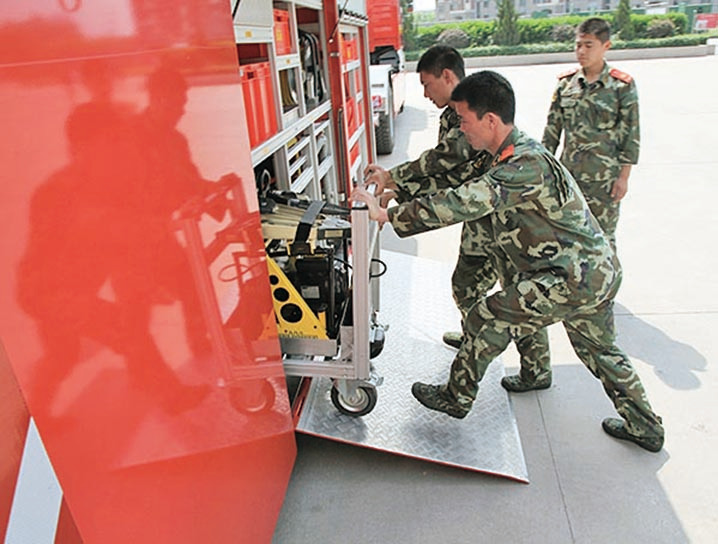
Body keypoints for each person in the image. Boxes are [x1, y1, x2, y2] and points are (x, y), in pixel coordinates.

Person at [352, 71, 664, 452]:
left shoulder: (523, 164)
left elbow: (466, 200)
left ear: (490, 120)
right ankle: (645, 426)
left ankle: (456, 396)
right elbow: (458, 182)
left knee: (488, 315)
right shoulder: (503, 155)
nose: (460, 130)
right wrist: (397, 186)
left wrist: (389, 217)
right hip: (591, 272)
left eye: (464, 121)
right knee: (599, 351)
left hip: (573, 277)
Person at [365, 46, 552, 392]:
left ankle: (536, 370)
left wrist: (393, 184)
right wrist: (402, 193)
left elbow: (448, 159)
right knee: (466, 286)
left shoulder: (474, 112)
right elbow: (457, 177)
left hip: (504, 220)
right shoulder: (453, 116)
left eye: (427, 84)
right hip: (479, 218)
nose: (424, 93)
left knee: (517, 299)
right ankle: (474, 339)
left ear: (448, 76)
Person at [542, 17, 639, 254]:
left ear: (606, 46)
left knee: (603, 240)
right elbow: (551, 133)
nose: (581, 51)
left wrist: (623, 178)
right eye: (578, 45)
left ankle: (606, 290)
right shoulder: (566, 85)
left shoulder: (621, 86)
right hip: (570, 179)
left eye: (588, 45)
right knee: (569, 239)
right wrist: (545, 173)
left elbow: (631, 134)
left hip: (604, 181)